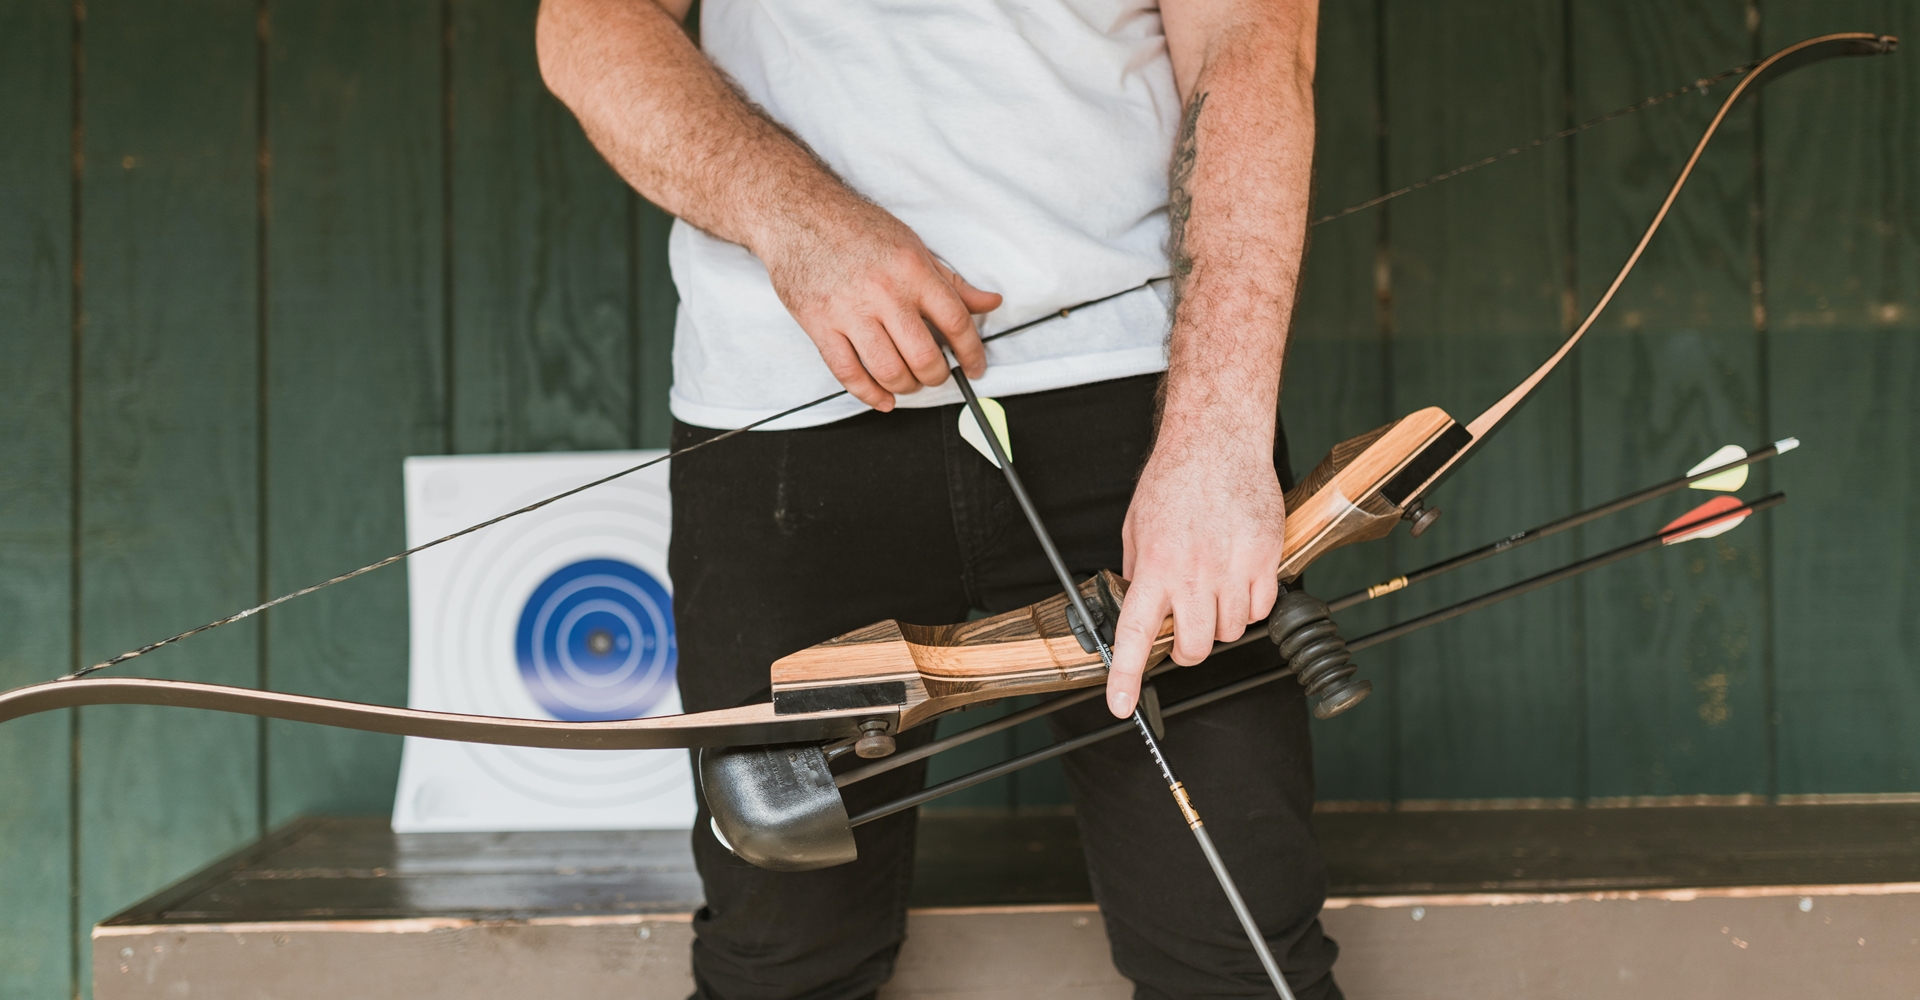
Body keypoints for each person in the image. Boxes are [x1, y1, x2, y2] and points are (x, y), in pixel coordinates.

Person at [538, 1, 1340, 996]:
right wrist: (799, 219)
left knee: (1240, 953)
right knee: (781, 960)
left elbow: (1253, 41)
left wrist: (1220, 438)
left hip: (1145, 412)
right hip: (784, 422)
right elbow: (586, 25)